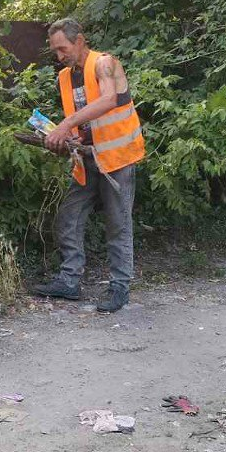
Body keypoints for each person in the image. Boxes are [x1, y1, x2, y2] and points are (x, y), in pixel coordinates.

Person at [31, 17, 145, 313]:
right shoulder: (66, 78)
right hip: (87, 159)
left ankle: (120, 288)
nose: (59, 56)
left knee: (118, 225)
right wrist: (61, 138)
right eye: (54, 51)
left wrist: (66, 124)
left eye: (63, 48)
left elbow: (108, 101)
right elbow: (85, 123)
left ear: (80, 40)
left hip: (117, 160)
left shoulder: (105, 64)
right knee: (69, 216)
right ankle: (69, 281)